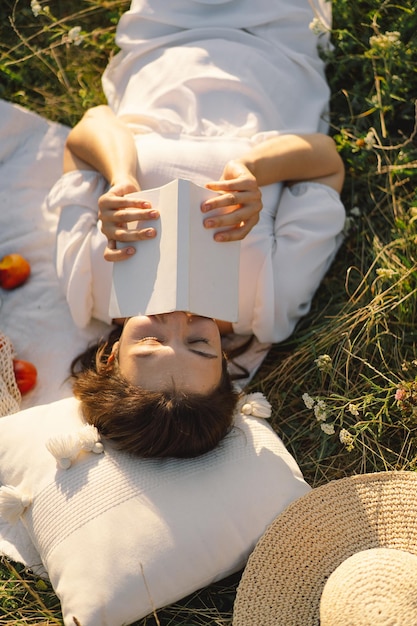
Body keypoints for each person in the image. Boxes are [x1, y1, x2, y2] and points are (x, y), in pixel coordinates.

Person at [48, 0, 346, 458]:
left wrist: (120, 176)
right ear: (226, 361)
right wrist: (253, 169)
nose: (178, 320)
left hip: (161, 38)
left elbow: (91, 126)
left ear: (110, 359)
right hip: (277, 45)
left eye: (150, 341)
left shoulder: (88, 286)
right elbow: (326, 162)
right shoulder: (268, 304)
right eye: (200, 344)